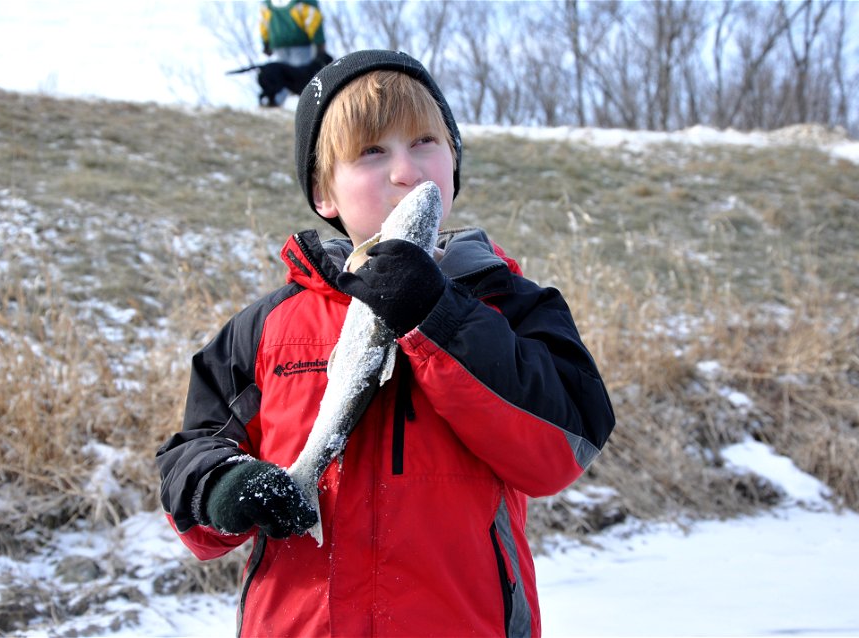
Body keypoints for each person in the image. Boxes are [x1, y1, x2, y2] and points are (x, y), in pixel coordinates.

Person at [156, 49, 615, 637]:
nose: (407, 170)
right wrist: (223, 487)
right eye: (373, 152)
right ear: (325, 195)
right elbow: (189, 452)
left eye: (426, 142)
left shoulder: (510, 305)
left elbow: (562, 447)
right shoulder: (267, 329)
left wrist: (437, 315)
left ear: (453, 162)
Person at [259, 0, 327, 106]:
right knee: (303, 79)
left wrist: (266, 42)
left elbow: (263, 22)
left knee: (281, 77)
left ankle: (274, 105)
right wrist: (319, 43)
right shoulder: (305, 2)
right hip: (300, 44)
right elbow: (314, 19)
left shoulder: (268, 3)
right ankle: (307, 108)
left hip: (278, 44)